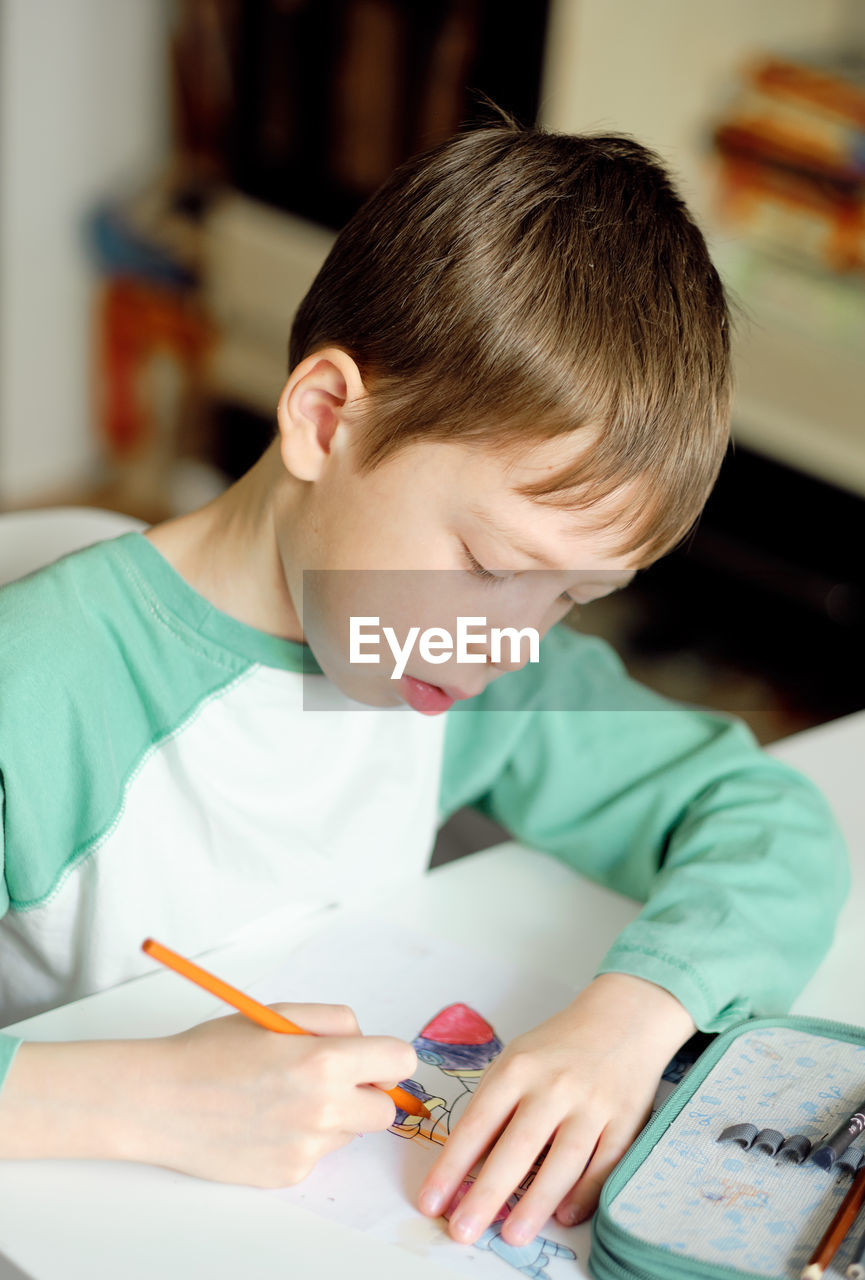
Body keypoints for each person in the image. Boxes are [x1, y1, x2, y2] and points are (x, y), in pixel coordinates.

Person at [0, 120, 848, 1250]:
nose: (512, 643)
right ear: (325, 418)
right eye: (492, 567)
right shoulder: (47, 684)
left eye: (568, 597)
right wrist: (140, 1097)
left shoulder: (471, 674)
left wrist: (629, 1018)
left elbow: (766, 817)